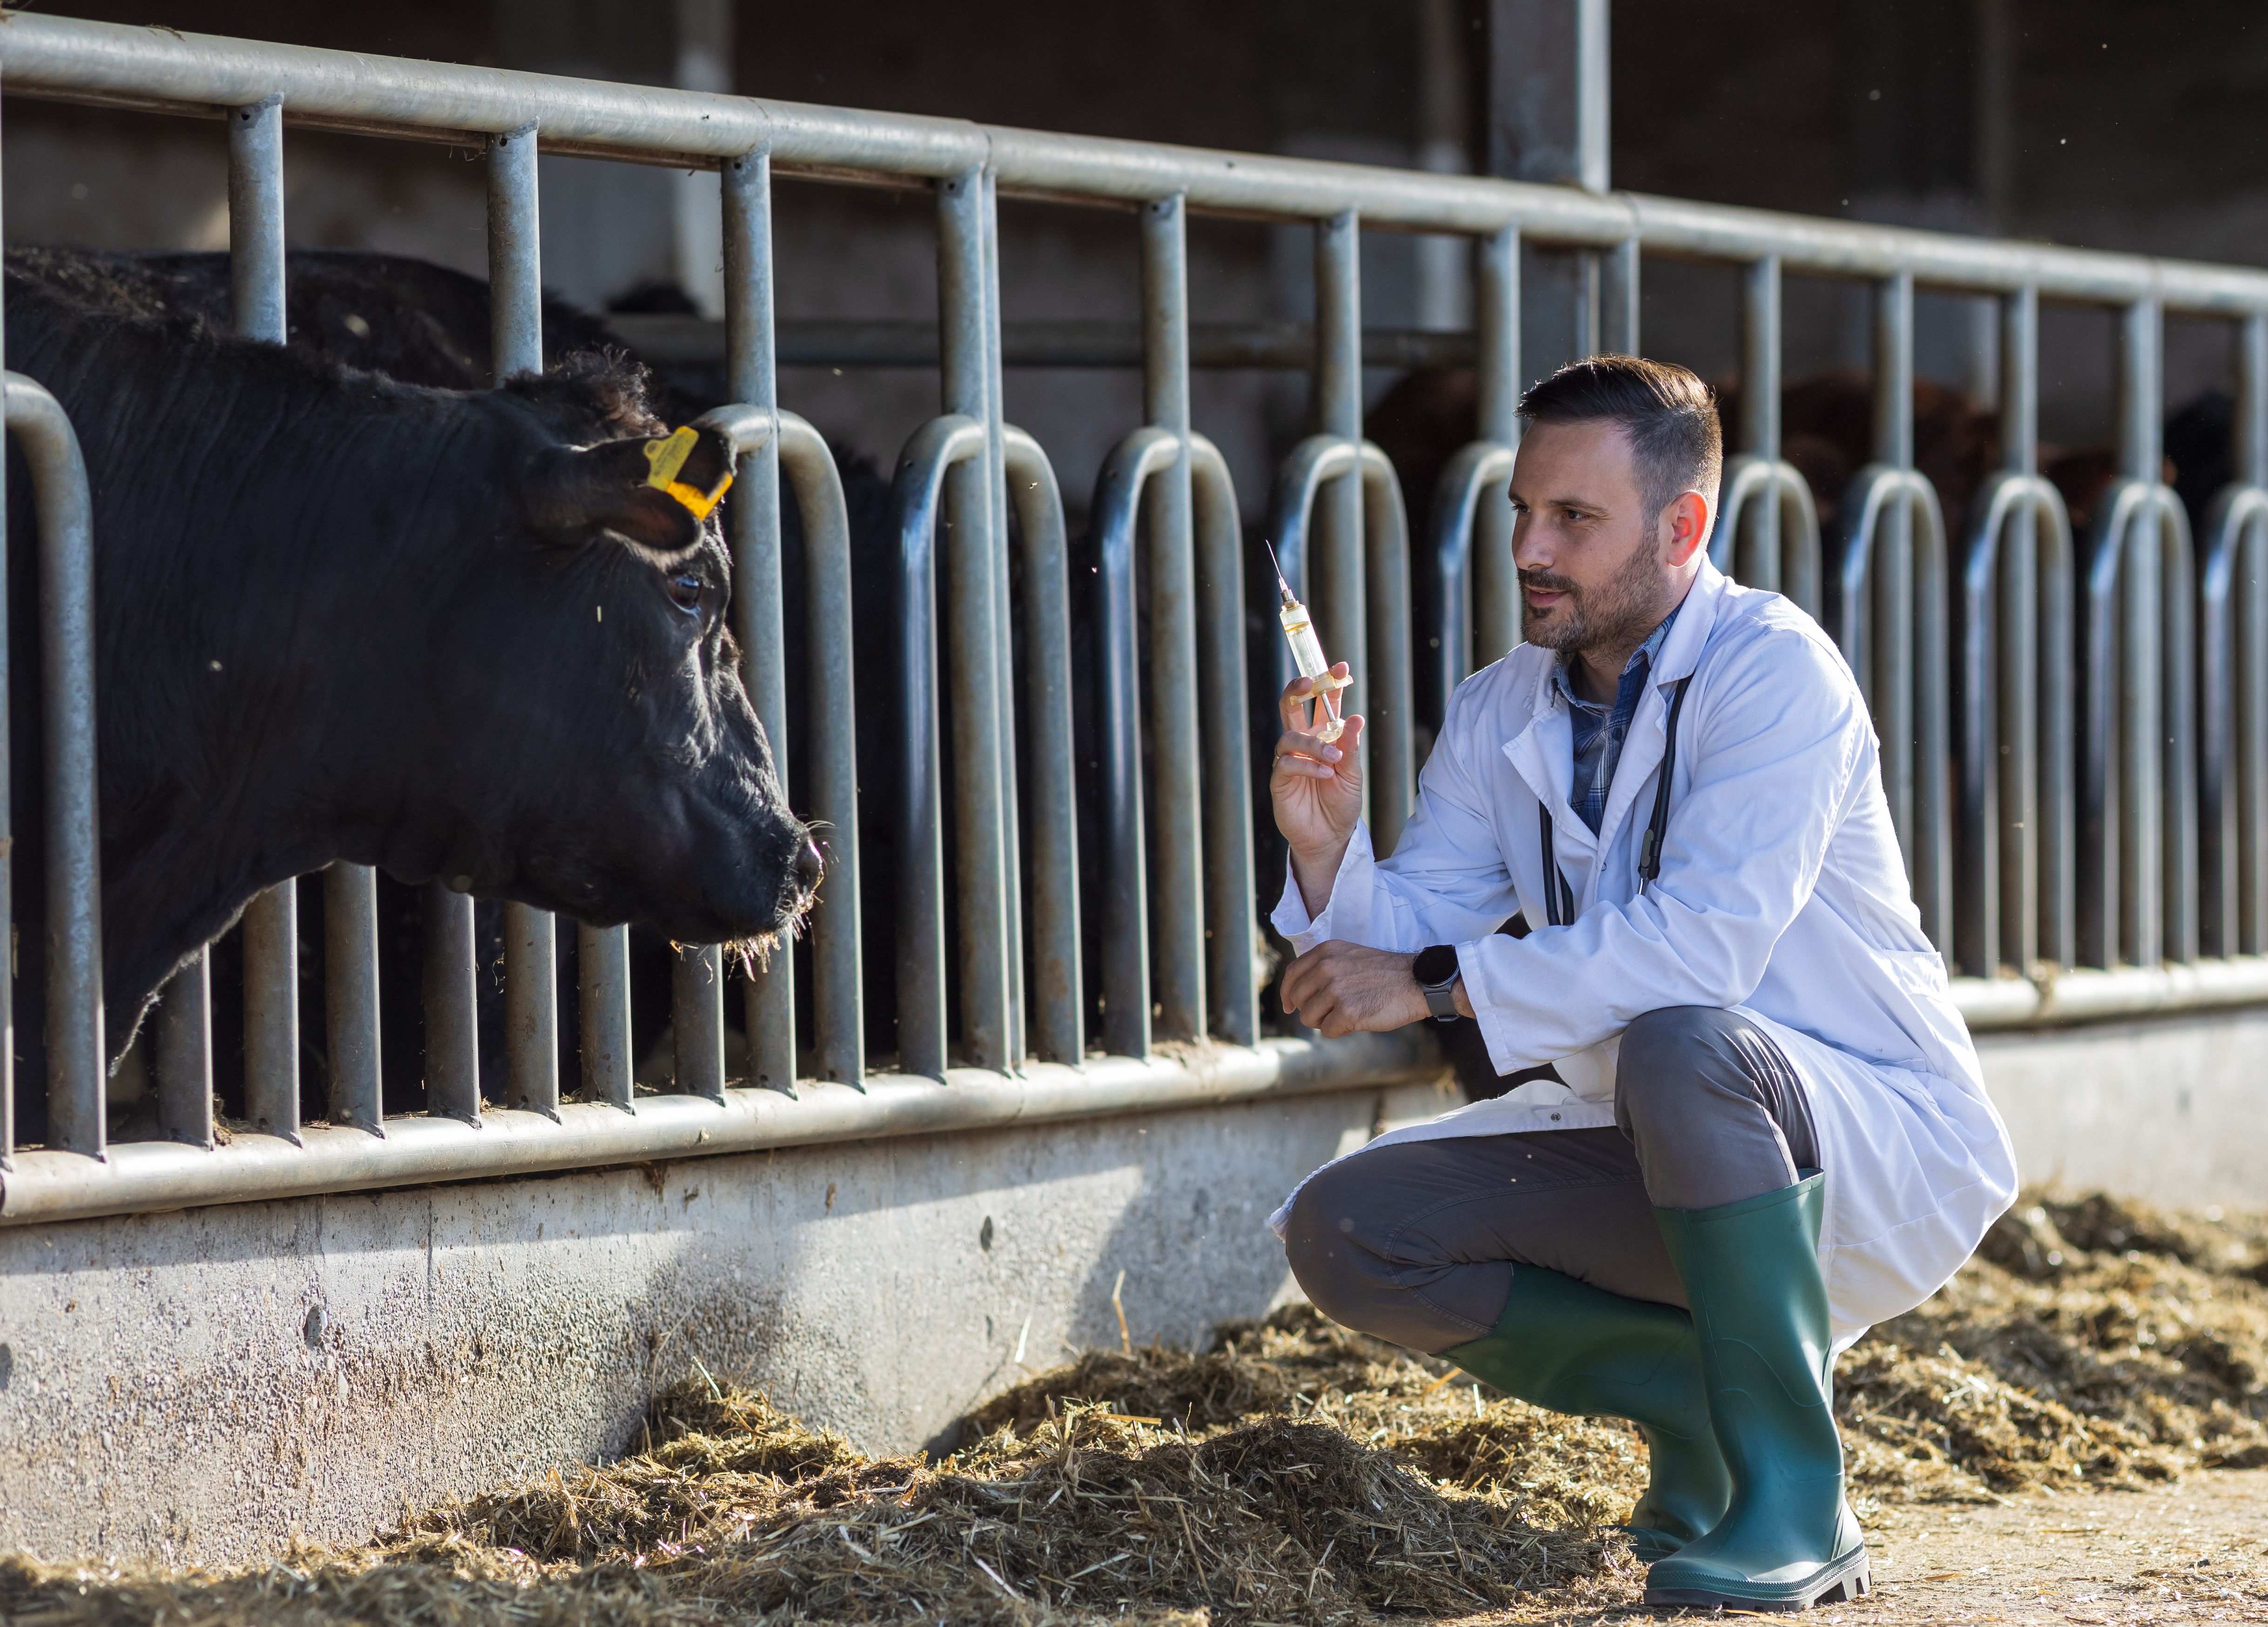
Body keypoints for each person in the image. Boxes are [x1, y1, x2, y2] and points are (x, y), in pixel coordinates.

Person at [1267, 355, 2016, 1611]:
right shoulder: (1502, 705)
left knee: (1686, 1041)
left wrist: (1441, 991)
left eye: (1574, 519)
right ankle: (1702, 1406)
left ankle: (1795, 1499)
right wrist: (1327, 837)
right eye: (1521, 511)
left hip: (1852, 1144)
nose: (1529, 549)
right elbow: (1402, 933)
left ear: (1684, 527)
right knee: (1345, 1235)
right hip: (1653, 1147)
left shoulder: (1777, 671)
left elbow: (1701, 953)